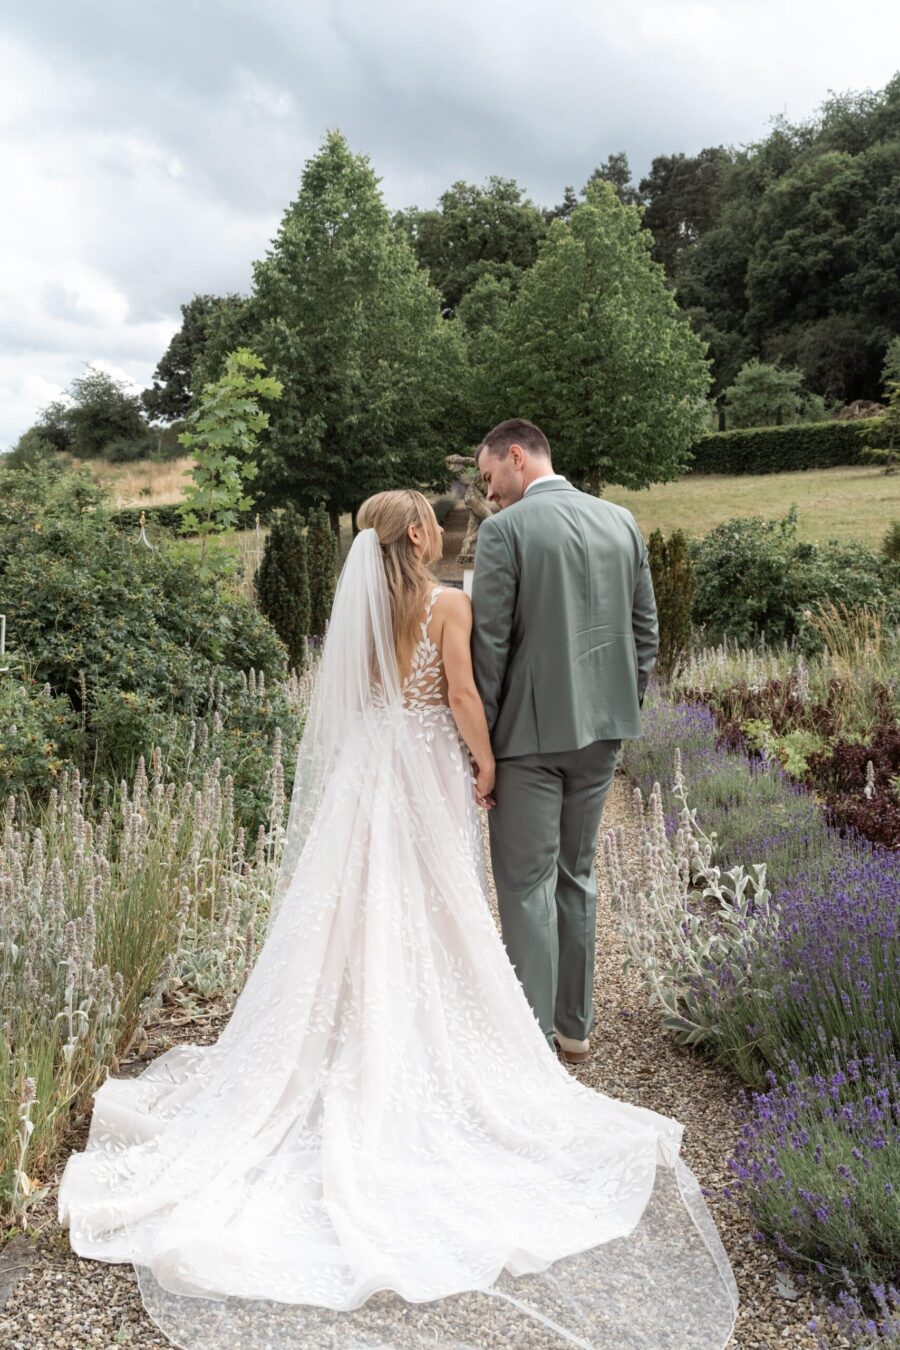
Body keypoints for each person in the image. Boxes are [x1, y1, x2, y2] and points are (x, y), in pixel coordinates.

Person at [57, 489, 737, 1350]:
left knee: (346, 908)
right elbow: (459, 697)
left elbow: (355, 705)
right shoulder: (446, 602)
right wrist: (488, 766)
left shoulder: (362, 610)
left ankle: (340, 1023)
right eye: (432, 516)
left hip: (366, 773)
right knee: (435, 906)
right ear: (420, 534)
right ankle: (450, 1028)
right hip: (424, 771)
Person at [471, 418, 658, 1065]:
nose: (489, 493)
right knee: (577, 875)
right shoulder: (622, 522)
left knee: (525, 886)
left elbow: (489, 647)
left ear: (517, 457)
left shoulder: (505, 532)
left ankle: (528, 1043)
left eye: (490, 477)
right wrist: (617, 710)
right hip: (604, 733)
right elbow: (646, 634)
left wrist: (484, 748)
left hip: (527, 739)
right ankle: (575, 1029)